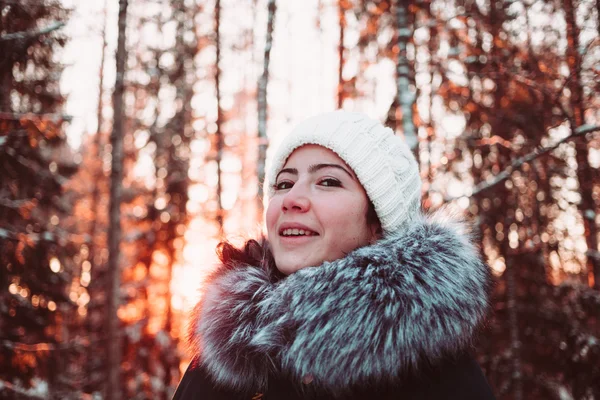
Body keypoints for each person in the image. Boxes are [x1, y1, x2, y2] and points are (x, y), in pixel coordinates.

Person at [173, 111, 496, 399]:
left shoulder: (432, 371)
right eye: (284, 183)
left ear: (379, 224)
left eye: (328, 181)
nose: (291, 199)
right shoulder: (227, 355)